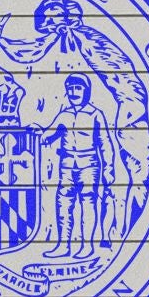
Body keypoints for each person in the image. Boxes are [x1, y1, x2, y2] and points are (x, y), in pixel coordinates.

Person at [40, 74, 116, 260]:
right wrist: (39, 132)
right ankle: (63, 246)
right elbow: (49, 134)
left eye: (78, 88)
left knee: (88, 203)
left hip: (89, 165)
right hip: (66, 165)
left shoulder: (95, 114)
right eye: (71, 89)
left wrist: (109, 168)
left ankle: (86, 246)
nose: (74, 92)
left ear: (86, 91)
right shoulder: (64, 115)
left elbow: (105, 143)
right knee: (63, 204)